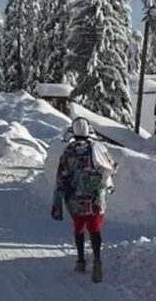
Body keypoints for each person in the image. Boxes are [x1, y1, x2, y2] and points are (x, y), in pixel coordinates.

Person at [50, 117, 118, 283]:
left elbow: (61, 176)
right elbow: (113, 167)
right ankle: (97, 261)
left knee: (79, 228)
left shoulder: (68, 151)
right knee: (95, 229)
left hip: (75, 198)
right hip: (96, 197)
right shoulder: (98, 148)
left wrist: (58, 197)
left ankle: (80, 261)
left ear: (73, 131)